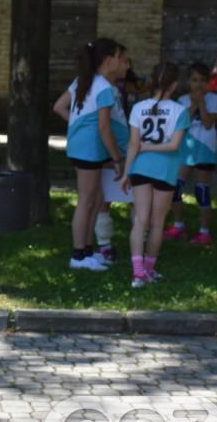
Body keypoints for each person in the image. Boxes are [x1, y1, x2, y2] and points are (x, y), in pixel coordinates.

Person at [53, 38, 130, 271]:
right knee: (87, 201)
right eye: (119, 57)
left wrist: (77, 125)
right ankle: (78, 255)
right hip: (88, 150)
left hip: (83, 148)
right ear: (108, 61)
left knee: (95, 200)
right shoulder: (105, 88)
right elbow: (105, 129)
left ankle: (87, 251)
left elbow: (59, 107)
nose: (123, 62)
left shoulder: (82, 82)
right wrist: (117, 158)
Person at [121, 62, 191, 288]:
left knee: (140, 220)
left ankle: (138, 273)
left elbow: (133, 144)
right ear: (174, 85)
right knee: (157, 222)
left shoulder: (137, 108)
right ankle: (148, 270)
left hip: (140, 169)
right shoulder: (180, 111)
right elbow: (174, 146)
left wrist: (126, 172)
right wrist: (149, 148)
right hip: (165, 170)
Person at [164, 63, 217, 246]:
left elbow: (207, 124)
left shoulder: (214, 100)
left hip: (205, 149)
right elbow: (184, 122)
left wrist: (202, 104)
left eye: (202, 80)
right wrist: (193, 105)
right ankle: (179, 225)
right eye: (194, 80)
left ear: (208, 82)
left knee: (202, 190)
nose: (198, 84)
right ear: (188, 82)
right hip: (187, 149)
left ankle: (204, 232)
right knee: (175, 188)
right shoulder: (182, 100)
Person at [94, 54, 145, 263]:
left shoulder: (117, 87)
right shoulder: (103, 88)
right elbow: (105, 125)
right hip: (113, 150)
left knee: (136, 196)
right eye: (124, 60)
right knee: (106, 197)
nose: (128, 65)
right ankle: (104, 243)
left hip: (125, 147)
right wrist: (115, 154)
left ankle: (141, 240)